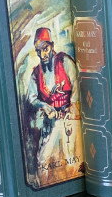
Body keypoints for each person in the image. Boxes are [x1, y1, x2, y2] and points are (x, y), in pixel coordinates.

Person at [27, 27, 80, 176]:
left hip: (69, 117)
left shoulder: (64, 61)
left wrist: (72, 105)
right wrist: (44, 106)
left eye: (45, 49)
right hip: (50, 121)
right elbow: (32, 98)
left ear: (52, 45)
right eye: (38, 51)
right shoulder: (36, 73)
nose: (42, 54)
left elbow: (77, 84)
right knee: (43, 159)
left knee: (71, 157)